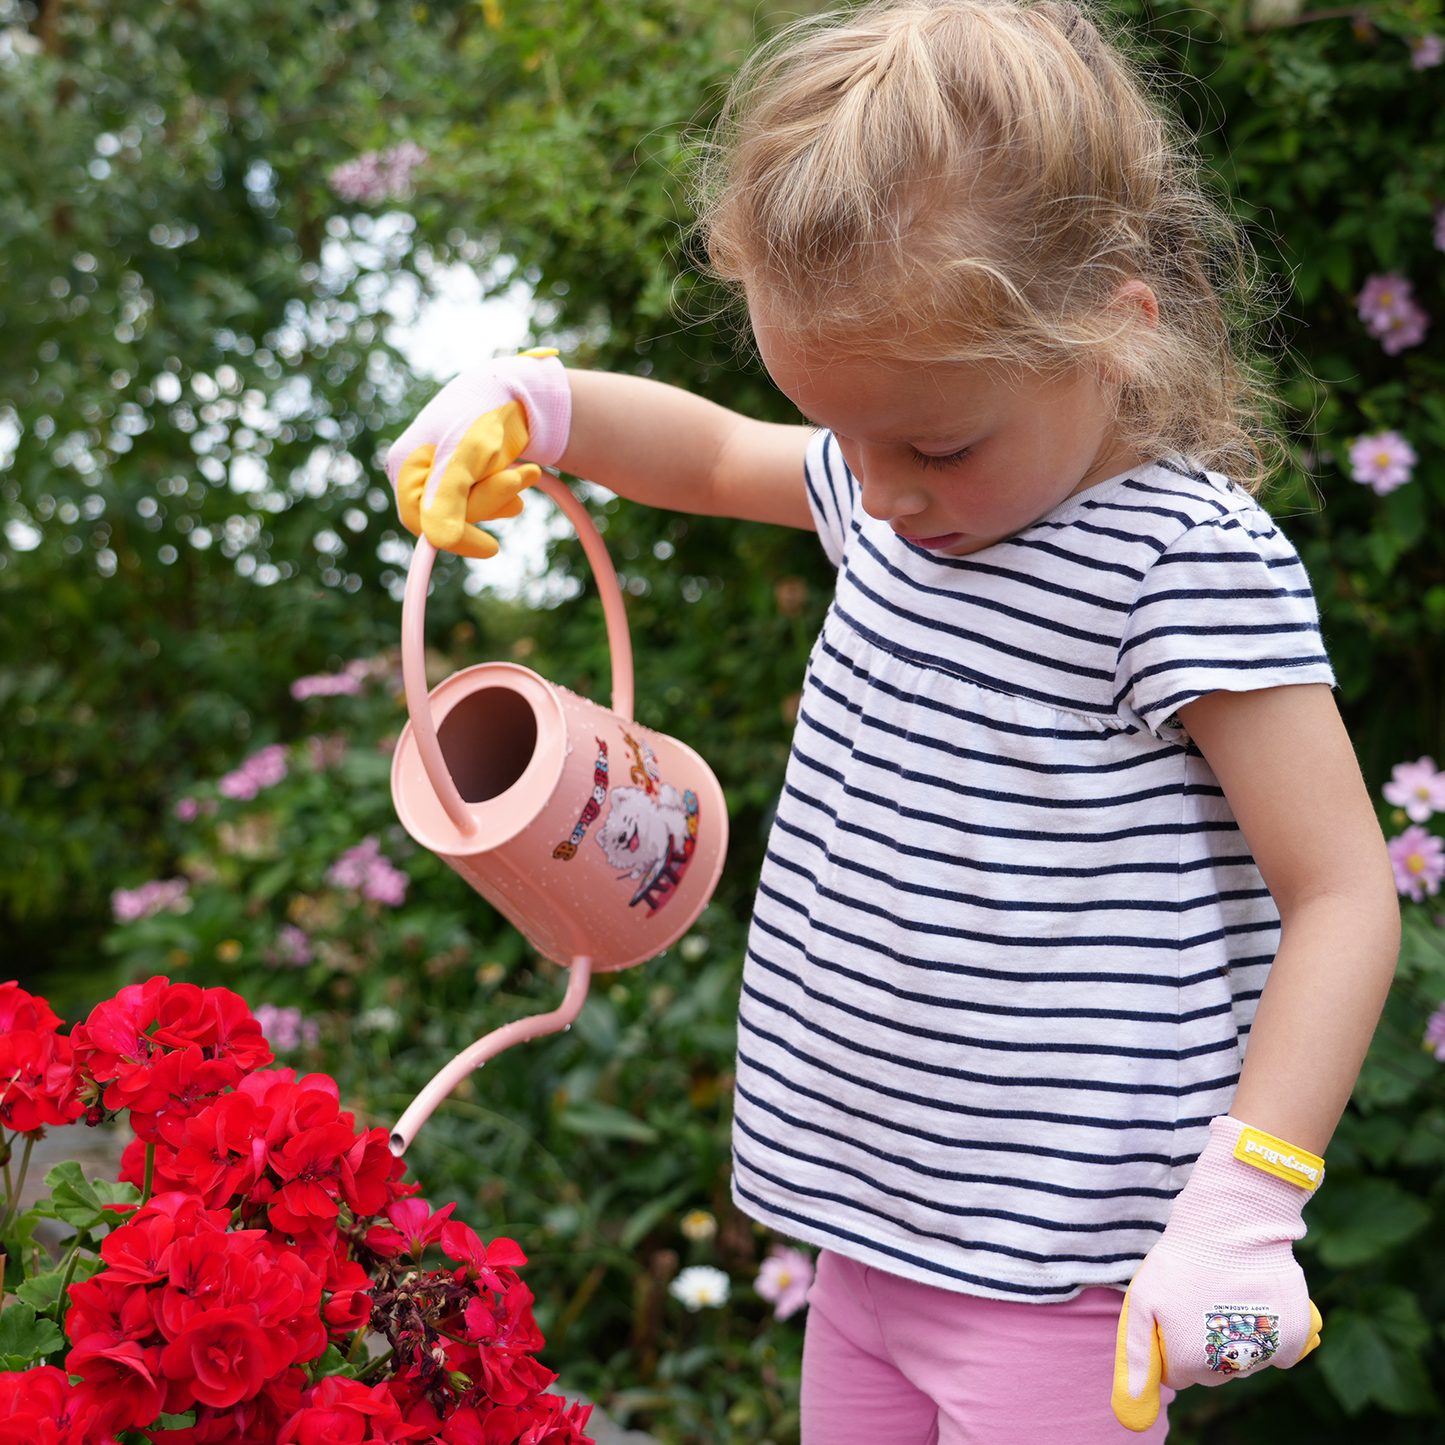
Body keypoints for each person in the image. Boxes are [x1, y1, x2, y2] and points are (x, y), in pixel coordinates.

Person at [385, 1, 1401, 1438]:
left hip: (1062, 1281)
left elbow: (1345, 893)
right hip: (865, 1241)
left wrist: (1247, 1201)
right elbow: (731, 449)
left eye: (932, 443)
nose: (880, 491)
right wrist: (533, 408)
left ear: (1114, 328)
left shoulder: (1181, 561)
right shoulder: (893, 483)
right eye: (843, 432)